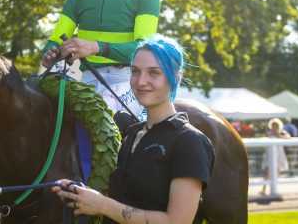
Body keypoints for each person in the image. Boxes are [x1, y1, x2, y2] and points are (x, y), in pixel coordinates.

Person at [52, 35, 215, 224]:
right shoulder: (131, 134)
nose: (140, 81)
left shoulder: (190, 142)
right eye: (135, 72)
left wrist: (102, 205)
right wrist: (82, 195)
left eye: (154, 73)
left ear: (175, 77)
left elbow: (176, 221)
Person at [41, 0, 160, 120]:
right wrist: (51, 53)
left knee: (104, 112)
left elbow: (144, 51)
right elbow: (54, 41)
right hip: (84, 80)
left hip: (128, 81)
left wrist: (97, 47)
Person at [260, 118, 290, 195]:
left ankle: (274, 189)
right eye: (273, 125)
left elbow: (288, 138)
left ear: (278, 126)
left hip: (279, 155)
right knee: (267, 172)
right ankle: (264, 189)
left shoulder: (283, 132)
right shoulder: (269, 133)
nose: (274, 127)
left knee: (277, 172)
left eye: (276, 125)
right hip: (269, 154)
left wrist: (278, 135)